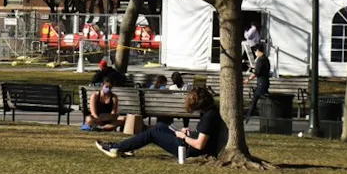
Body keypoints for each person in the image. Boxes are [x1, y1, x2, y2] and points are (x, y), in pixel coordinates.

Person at [96, 87, 226, 160]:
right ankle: (127, 147)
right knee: (160, 126)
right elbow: (203, 136)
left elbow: (200, 144)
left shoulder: (209, 117)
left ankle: (116, 147)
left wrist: (184, 137)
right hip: (188, 145)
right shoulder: (210, 112)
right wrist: (190, 133)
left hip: (188, 151)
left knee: (153, 132)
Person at [245, 45, 271, 119]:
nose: (255, 53)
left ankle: (248, 116)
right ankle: (252, 114)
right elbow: (262, 69)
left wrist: (248, 79)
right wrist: (254, 67)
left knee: (255, 99)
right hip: (265, 82)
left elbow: (257, 72)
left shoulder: (260, 60)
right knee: (264, 99)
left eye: (255, 52)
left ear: (259, 51)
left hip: (261, 83)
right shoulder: (266, 59)